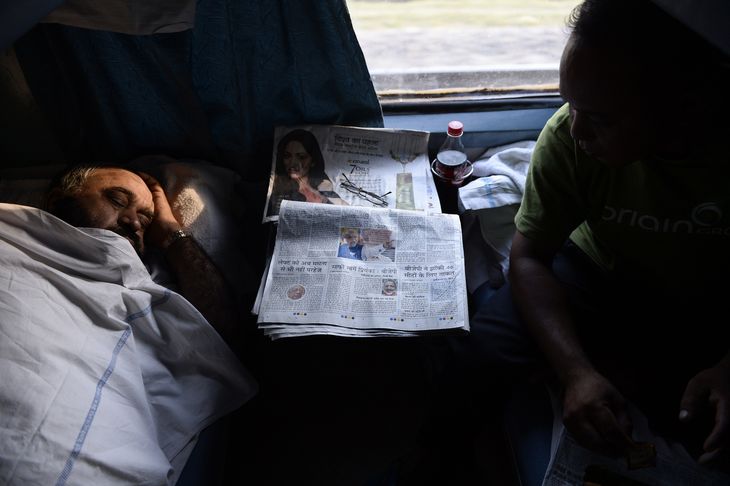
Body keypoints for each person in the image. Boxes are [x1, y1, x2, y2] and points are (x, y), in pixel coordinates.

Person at [461, 0, 730, 471]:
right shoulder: (567, 138)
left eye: (602, 118)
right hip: (597, 272)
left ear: (681, 109)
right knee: (483, 349)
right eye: (570, 104)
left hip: (706, 303)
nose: (576, 129)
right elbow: (528, 256)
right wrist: (576, 372)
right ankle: (431, 460)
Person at [44, 164, 239, 342]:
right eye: (118, 200)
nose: (135, 223)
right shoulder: (17, 242)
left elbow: (229, 334)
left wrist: (171, 233)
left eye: (145, 221)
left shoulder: (154, 280)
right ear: (56, 201)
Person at [267, 128, 347, 216]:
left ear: (313, 161)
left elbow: (348, 212)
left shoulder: (324, 186)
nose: (293, 163)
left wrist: (327, 192)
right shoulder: (278, 190)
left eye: (301, 157)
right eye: (287, 156)